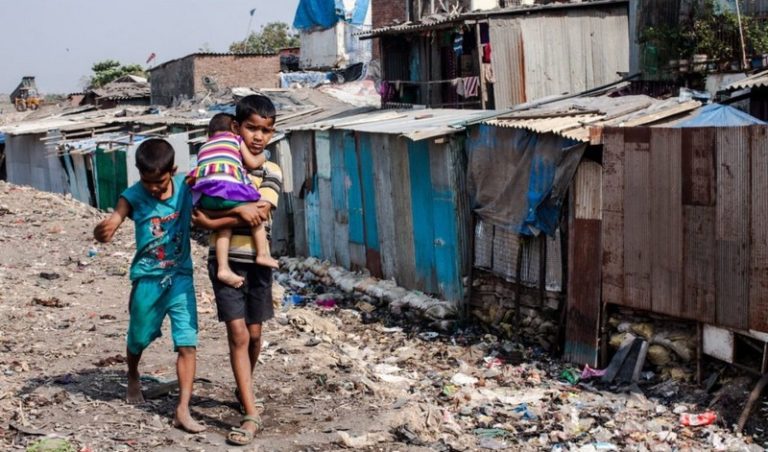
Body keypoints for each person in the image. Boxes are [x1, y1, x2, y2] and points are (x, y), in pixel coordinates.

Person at [93, 138, 205, 433]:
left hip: (180, 277)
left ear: (173, 171)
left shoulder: (185, 187)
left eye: (159, 182)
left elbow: (213, 188)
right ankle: (133, 375)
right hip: (147, 279)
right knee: (137, 339)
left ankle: (182, 409)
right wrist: (103, 230)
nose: (153, 188)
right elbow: (112, 223)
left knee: (187, 343)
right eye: (146, 181)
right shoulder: (132, 196)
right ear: (138, 173)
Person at [192, 94, 281, 446]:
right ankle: (250, 413)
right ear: (235, 127)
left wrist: (222, 218)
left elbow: (258, 212)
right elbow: (198, 217)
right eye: (251, 128)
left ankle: (243, 387)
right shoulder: (219, 163)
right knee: (238, 335)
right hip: (225, 262)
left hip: (257, 262)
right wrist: (231, 215)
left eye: (266, 131)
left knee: (255, 335)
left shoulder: (271, 170)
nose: (259, 137)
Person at [186, 113, 279, 290]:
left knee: (223, 228)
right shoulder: (235, 140)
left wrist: (210, 222)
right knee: (256, 212)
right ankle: (262, 253)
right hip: (230, 191)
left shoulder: (204, 146)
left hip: (206, 196)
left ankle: (223, 268)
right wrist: (265, 155)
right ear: (236, 128)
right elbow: (251, 163)